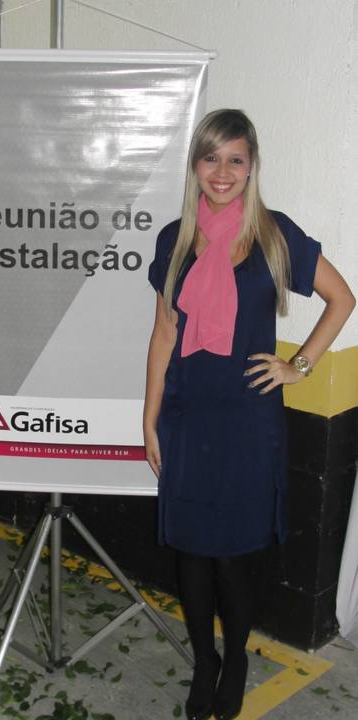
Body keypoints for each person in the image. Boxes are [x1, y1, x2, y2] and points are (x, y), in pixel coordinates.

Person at [143, 109, 355, 720]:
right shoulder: (174, 239)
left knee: (233, 556)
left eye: (235, 159)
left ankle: (234, 659)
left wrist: (298, 366)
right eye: (211, 157)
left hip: (246, 422)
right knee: (190, 554)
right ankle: (203, 661)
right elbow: (164, 334)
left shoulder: (274, 235)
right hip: (186, 417)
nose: (222, 171)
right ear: (195, 165)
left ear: (251, 166)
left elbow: (342, 298)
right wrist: (149, 418)